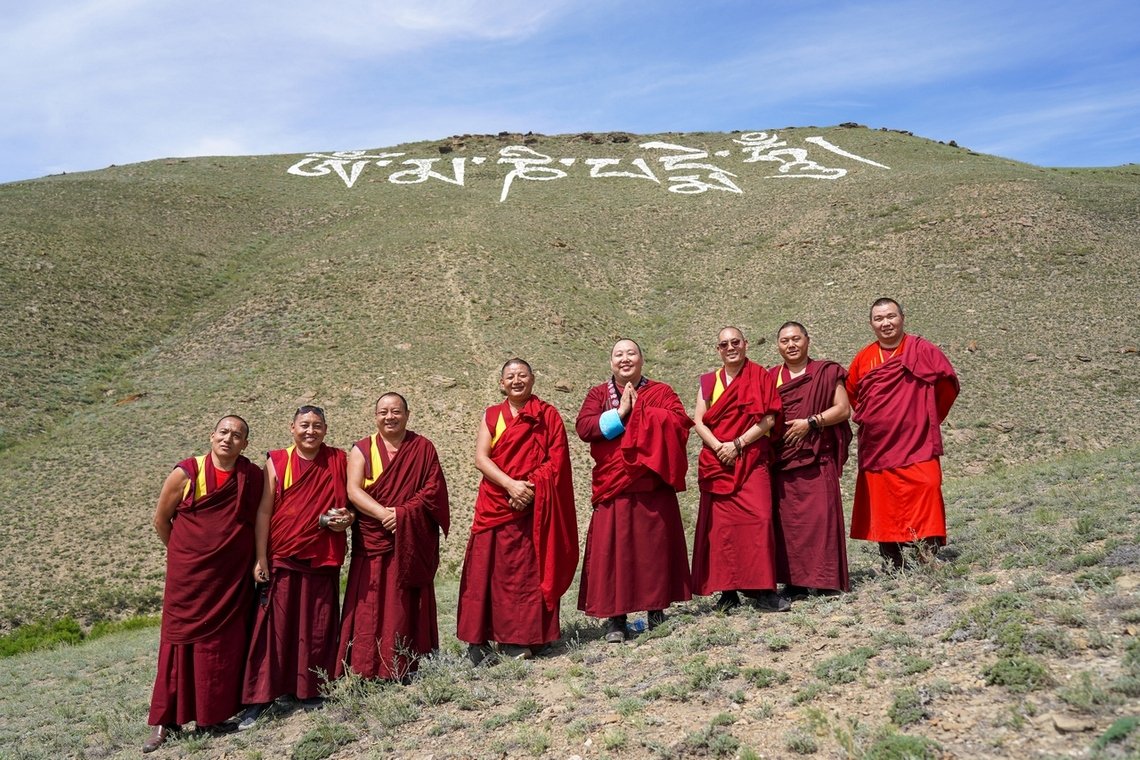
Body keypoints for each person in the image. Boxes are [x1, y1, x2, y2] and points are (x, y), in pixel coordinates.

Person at [144, 415, 264, 753]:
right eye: (223, 432)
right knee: (177, 645)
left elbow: (259, 519)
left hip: (230, 578)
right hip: (190, 577)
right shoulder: (187, 472)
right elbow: (161, 519)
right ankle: (164, 723)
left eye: (237, 435)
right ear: (212, 436)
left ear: (245, 444)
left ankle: (212, 716)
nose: (229, 439)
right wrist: (185, 554)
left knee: (221, 647)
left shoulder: (250, 476)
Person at [457, 359, 579, 662]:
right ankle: (481, 640)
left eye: (522, 375)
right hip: (496, 504)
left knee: (526, 576)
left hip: (532, 508)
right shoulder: (492, 416)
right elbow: (481, 459)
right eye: (510, 377)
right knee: (487, 574)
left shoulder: (547, 415)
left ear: (533, 380)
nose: (516, 381)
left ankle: (528, 639)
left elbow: (557, 461)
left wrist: (529, 488)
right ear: (501, 383)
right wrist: (512, 486)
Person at [239, 406, 351, 727]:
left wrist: (347, 520)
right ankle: (260, 698)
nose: (310, 431)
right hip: (283, 555)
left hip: (321, 556)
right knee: (274, 628)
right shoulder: (277, 462)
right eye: (304, 425)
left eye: (317, 426)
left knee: (317, 625)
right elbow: (264, 511)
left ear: (326, 430)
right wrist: (260, 557)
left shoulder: (337, 460)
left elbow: (348, 508)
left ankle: (309, 689)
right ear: (292, 428)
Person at [576, 339, 693, 643]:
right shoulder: (599, 394)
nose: (625, 359)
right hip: (614, 484)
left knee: (654, 549)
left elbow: (680, 421)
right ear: (611, 362)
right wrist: (620, 413)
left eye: (631, 353)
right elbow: (584, 427)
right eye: (619, 355)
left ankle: (656, 611)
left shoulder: (661, 391)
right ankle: (616, 619)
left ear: (642, 359)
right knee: (615, 553)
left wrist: (641, 412)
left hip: (651, 481)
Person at [335, 392, 450, 682]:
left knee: (404, 604)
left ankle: (409, 664)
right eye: (383, 412)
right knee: (370, 606)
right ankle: (366, 668)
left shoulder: (422, 447)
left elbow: (433, 490)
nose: (390, 417)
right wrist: (385, 514)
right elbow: (353, 490)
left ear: (407, 414)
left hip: (408, 540)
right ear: (375, 417)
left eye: (396, 411)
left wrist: (402, 514)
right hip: (373, 537)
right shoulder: (362, 449)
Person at [847, 298, 960, 569]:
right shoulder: (863, 358)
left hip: (918, 442)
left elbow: (947, 385)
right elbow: (854, 394)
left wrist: (926, 417)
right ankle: (892, 559)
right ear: (871, 323)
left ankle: (927, 553)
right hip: (879, 446)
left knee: (927, 489)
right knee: (885, 503)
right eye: (879, 318)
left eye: (890, 316)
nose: (885, 323)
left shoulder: (922, 350)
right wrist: (878, 419)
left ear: (902, 317)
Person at [690, 327, 786, 612]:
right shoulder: (709, 381)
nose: (730, 347)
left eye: (735, 342)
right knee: (723, 530)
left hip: (751, 459)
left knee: (760, 520)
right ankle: (728, 591)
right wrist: (720, 447)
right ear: (718, 349)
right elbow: (698, 420)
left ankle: (763, 589)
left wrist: (738, 443)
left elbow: (769, 419)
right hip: (719, 462)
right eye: (724, 344)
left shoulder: (760, 376)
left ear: (745, 344)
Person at [770, 322, 853, 595]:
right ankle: (795, 583)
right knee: (789, 524)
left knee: (822, 519)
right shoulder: (770, 378)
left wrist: (812, 422)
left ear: (808, 340)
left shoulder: (826, 372)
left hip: (818, 459)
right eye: (785, 341)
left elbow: (842, 409)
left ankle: (826, 580)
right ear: (778, 345)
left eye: (796, 339)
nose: (791, 345)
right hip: (783, 461)